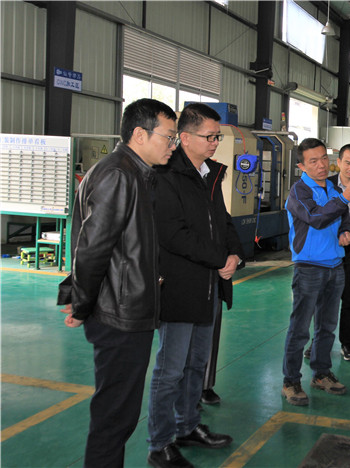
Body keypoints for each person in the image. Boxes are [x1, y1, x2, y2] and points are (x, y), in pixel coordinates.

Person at [57, 98, 178, 467]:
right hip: (118, 315)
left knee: (119, 414)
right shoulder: (119, 175)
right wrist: (80, 304)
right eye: (169, 137)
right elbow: (92, 250)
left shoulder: (134, 173)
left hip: (125, 307)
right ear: (140, 134)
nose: (173, 145)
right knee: (114, 417)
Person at [145, 103, 243, 468]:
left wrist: (234, 254)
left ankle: (187, 426)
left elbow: (223, 220)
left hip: (208, 288)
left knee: (197, 364)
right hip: (179, 287)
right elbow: (173, 234)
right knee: (170, 369)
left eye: (218, 136)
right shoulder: (165, 175)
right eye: (210, 136)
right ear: (185, 137)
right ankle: (159, 443)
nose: (215, 142)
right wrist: (219, 259)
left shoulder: (210, 173)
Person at [282, 138, 350, 406]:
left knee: (327, 327)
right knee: (300, 328)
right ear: (301, 166)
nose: (321, 165)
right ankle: (290, 381)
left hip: (335, 266)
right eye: (313, 161)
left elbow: (345, 219)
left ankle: (321, 374)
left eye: (323, 158)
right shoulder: (299, 192)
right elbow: (316, 218)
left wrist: (346, 233)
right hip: (309, 267)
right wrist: (343, 198)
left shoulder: (332, 188)